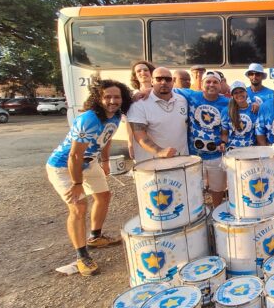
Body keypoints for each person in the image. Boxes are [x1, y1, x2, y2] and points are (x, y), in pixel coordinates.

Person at [46, 78, 132, 276]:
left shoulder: (116, 115)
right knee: (78, 207)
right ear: (99, 98)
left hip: (90, 161)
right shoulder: (89, 119)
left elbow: (107, 137)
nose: (112, 101)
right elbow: (74, 155)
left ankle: (96, 236)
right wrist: (76, 183)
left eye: (116, 97)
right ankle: (82, 255)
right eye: (107, 97)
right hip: (64, 166)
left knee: (103, 196)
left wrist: (105, 160)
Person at [175, 71, 230, 206]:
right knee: (194, 187)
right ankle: (199, 212)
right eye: (208, 82)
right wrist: (145, 91)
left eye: (215, 82)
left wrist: (255, 105)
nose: (211, 85)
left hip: (216, 155)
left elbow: (245, 105)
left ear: (220, 85)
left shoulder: (228, 102)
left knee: (218, 188)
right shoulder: (192, 95)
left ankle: (216, 210)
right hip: (194, 155)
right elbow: (166, 88)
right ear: (202, 84)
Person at [127, 67, 189, 162]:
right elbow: (139, 135)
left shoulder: (182, 100)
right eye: (159, 79)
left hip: (181, 160)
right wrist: (159, 151)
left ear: (173, 82)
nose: (163, 82)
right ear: (152, 81)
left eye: (168, 79)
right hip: (153, 164)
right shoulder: (139, 104)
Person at [126, 60, 156, 159]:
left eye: (145, 70)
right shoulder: (131, 96)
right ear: (135, 76)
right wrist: (130, 142)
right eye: (139, 71)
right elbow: (129, 122)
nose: (142, 73)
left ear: (151, 73)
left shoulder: (162, 92)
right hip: (141, 142)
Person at [223, 81, 259, 149]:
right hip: (231, 153)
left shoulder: (254, 109)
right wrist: (222, 144)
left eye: (241, 91)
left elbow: (259, 133)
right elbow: (224, 134)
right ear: (232, 96)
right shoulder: (226, 111)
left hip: (251, 152)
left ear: (246, 93)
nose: (239, 94)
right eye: (235, 93)